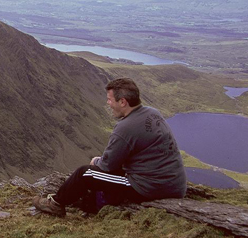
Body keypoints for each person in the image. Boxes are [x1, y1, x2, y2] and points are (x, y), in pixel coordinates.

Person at [33, 78, 186, 216]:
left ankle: (56, 204)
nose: (108, 103)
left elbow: (107, 165)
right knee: (109, 174)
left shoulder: (125, 127)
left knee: (85, 173)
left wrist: (96, 162)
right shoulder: (153, 112)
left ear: (123, 102)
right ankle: (92, 203)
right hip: (175, 185)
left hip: (150, 187)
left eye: (110, 99)